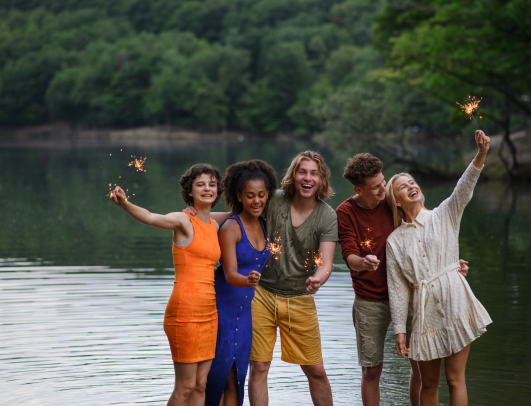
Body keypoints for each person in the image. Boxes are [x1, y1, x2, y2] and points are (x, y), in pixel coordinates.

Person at [186, 151, 338, 406]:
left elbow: (327, 262)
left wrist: (318, 278)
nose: (308, 178)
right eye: (303, 172)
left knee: (317, 371)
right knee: (259, 368)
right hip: (262, 294)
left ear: (322, 179)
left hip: (300, 297)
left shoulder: (327, 215)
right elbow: (242, 216)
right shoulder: (275, 199)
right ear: (294, 175)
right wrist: (197, 215)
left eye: (314, 173)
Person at [336, 153, 468, 406]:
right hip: (370, 299)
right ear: (358, 189)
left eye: (383, 182)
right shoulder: (345, 212)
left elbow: (425, 233)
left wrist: (450, 265)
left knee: (420, 367)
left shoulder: (392, 201)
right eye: (375, 187)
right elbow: (349, 254)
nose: (382, 190)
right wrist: (363, 263)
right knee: (371, 370)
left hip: (414, 297)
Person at [386, 130, 493, 406]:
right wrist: (400, 329)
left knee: (455, 378)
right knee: (428, 383)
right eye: (403, 186)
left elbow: (464, 187)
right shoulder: (394, 241)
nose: (412, 186)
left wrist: (480, 154)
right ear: (397, 201)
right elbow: (397, 289)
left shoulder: (444, 214)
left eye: (413, 182)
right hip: (424, 312)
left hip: (455, 299)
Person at [109, 164, 224, 406]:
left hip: (209, 313)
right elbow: (152, 217)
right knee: (185, 386)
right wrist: (126, 204)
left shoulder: (213, 224)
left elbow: (238, 217)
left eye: (212, 185)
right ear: (190, 191)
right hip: (185, 312)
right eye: (200, 185)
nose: (207, 189)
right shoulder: (183, 220)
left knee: (201, 385)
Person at [204, 160, 277, 406]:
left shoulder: (265, 224)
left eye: (261, 195)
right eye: (250, 196)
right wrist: (249, 280)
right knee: (217, 376)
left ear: (268, 195)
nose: (257, 201)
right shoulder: (231, 228)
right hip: (221, 311)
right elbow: (230, 273)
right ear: (239, 195)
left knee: (237, 378)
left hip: (244, 314)